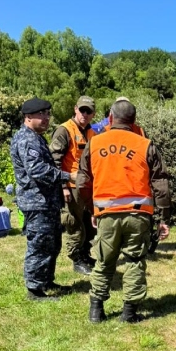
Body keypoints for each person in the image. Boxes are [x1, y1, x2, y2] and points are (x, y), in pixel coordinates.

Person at [77, 99, 171, 323]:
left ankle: (96, 311)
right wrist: (164, 218)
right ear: (134, 120)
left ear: (110, 118)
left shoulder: (94, 143)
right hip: (138, 215)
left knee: (103, 261)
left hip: (106, 214)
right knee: (134, 260)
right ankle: (129, 313)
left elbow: (82, 182)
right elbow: (161, 184)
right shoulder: (145, 144)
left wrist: (92, 209)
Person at [10, 97, 73, 300]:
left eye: (48, 113)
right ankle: (34, 290)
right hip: (37, 202)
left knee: (52, 244)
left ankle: (45, 280)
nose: (46, 118)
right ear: (28, 117)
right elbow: (37, 170)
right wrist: (67, 176)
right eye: (41, 114)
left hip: (46, 202)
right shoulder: (27, 139)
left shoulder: (35, 137)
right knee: (39, 245)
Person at [49, 96, 98, 275]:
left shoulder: (93, 133)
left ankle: (85, 254)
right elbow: (54, 161)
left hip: (88, 186)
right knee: (74, 224)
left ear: (93, 114)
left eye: (89, 111)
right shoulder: (64, 130)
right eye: (82, 110)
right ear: (75, 109)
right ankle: (76, 259)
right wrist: (62, 186)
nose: (85, 114)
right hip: (71, 186)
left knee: (89, 223)